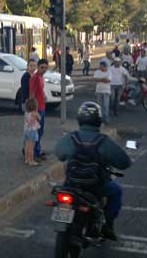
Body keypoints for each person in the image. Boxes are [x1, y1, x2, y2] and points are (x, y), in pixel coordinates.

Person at [55, 101, 132, 240]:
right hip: (95, 187)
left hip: (72, 185)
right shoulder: (103, 141)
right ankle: (107, 225)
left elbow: (59, 154)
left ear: (79, 120)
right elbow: (124, 162)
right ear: (98, 121)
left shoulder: (71, 137)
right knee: (116, 192)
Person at [30, 59, 48, 160]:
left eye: (45, 68)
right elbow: (31, 94)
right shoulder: (35, 78)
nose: (44, 69)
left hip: (42, 106)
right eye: (42, 67)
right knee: (35, 132)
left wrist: (44, 95)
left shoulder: (41, 77)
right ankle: (34, 152)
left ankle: (38, 150)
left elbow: (40, 90)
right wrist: (34, 110)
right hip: (37, 109)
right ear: (38, 67)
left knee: (40, 131)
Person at [23, 98, 41, 166]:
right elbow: (39, 119)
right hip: (33, 131)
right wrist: (37, 113)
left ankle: (27, 159)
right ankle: (31, 161)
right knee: (31, 147)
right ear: (35, 106)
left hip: (26, 130)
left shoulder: (26, 113)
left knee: (27, 146)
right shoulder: (35, 114)